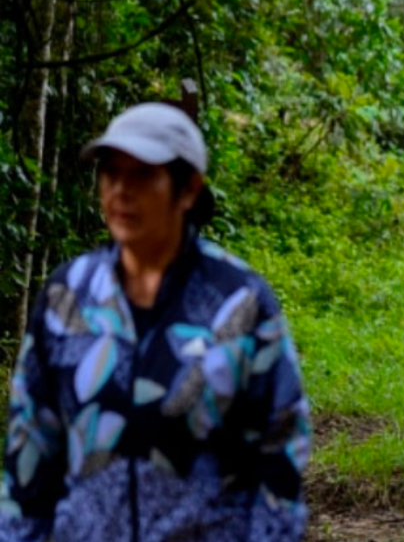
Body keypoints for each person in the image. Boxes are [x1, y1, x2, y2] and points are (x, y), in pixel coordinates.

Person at [1, 103, 312, 541]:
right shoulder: (68, 296)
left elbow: (280, 452)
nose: (121, 190)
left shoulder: (239, 303)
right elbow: (31, 447)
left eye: (143, 175)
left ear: (188, 189)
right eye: (111, 173)